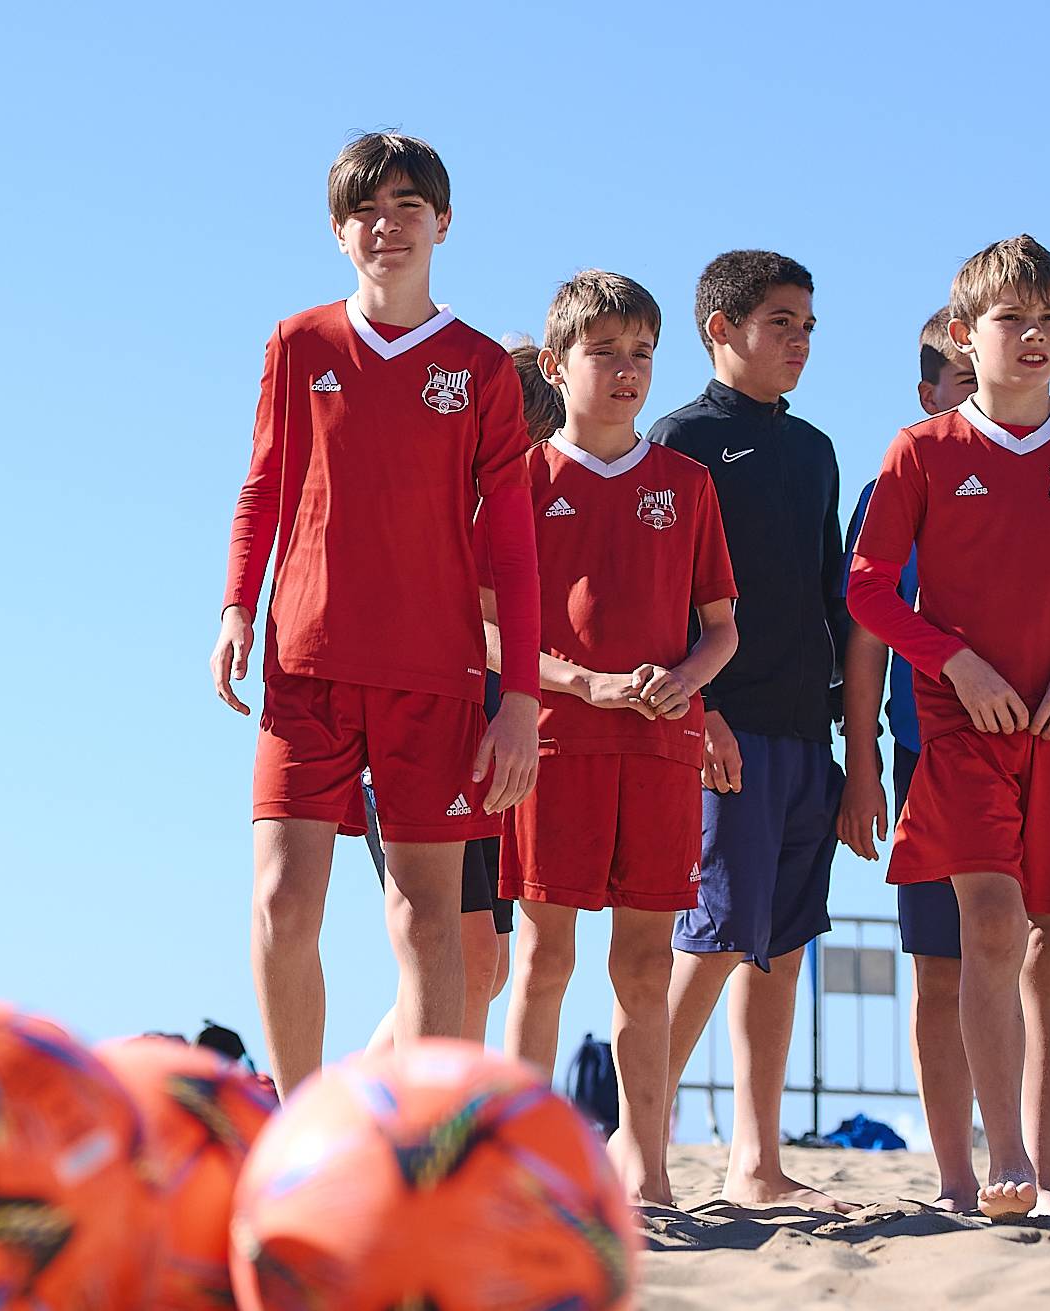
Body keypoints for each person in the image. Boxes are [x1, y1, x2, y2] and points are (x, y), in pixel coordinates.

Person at [848, 235, 1050, 1218]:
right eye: (1011, 319)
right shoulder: (920, 451)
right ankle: (1006, 1163)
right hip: (959, 727)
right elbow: (868, 590)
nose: (1033, 335)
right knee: (988, 923)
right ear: (964, 333)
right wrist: (952, 660)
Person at [211, 133, 541, 1088]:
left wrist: (520, 697)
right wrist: (236, 604)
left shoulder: (480, 368)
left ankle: (426, 1136)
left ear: (443, 223)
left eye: (407, 207)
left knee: (428, 918)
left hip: (435, 677)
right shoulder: (298, 342)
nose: (386, 226)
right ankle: (296, 1119)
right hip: (305, 661)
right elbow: (263, 484)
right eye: (365, 210)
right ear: (337, 230)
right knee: (282, 901)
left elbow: (514, 545)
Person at [494, 272, 738, 1207]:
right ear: (558, 366)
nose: (627, 369)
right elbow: (484, 630)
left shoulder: (688, 483)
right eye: (604, 352)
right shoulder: (520, 479)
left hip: (661, 752)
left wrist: (689, 681)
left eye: (641, 352)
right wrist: (581, 682)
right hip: (555, 747)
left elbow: (722, 629)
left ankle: (649, 1169)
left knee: (643, 964)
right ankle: (520, 1165)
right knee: (543, 958)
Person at [649, 249, 851, 1210]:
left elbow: (832, 596)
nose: (800, 340)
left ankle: (756, 1162)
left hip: (808, 735)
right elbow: (660, 603)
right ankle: (632, 1144)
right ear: (721, 329)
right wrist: (705, 714)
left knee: (782, 942)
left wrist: (851, 738)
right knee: (711, 941)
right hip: (722, 733)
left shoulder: (815, 450)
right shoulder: (679, 439)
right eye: (781, 322)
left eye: (808, 325)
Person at [365, 336, 560, 1055]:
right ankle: (389, 1112)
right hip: (424, 725)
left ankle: (358, 1105)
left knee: (485, 963)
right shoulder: (435, 491)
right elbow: (465, 619)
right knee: (457, 950)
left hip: (494, 734)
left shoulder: (525, 495)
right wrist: (572, 679)